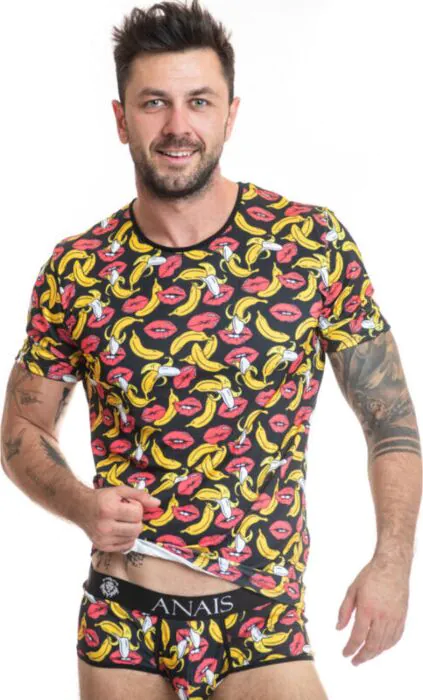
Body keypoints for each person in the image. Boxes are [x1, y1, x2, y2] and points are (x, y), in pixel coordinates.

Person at [2, 1, 421, 699]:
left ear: (230, 114)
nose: (177, 126)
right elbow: (22, 423)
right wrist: (79, 504)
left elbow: (391, 421)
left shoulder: (307, 243)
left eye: (198, 101)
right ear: (121, 119)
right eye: (154, 103)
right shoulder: (79, 268)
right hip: (122, 612)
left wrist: (393, 563)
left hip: (259, 608)